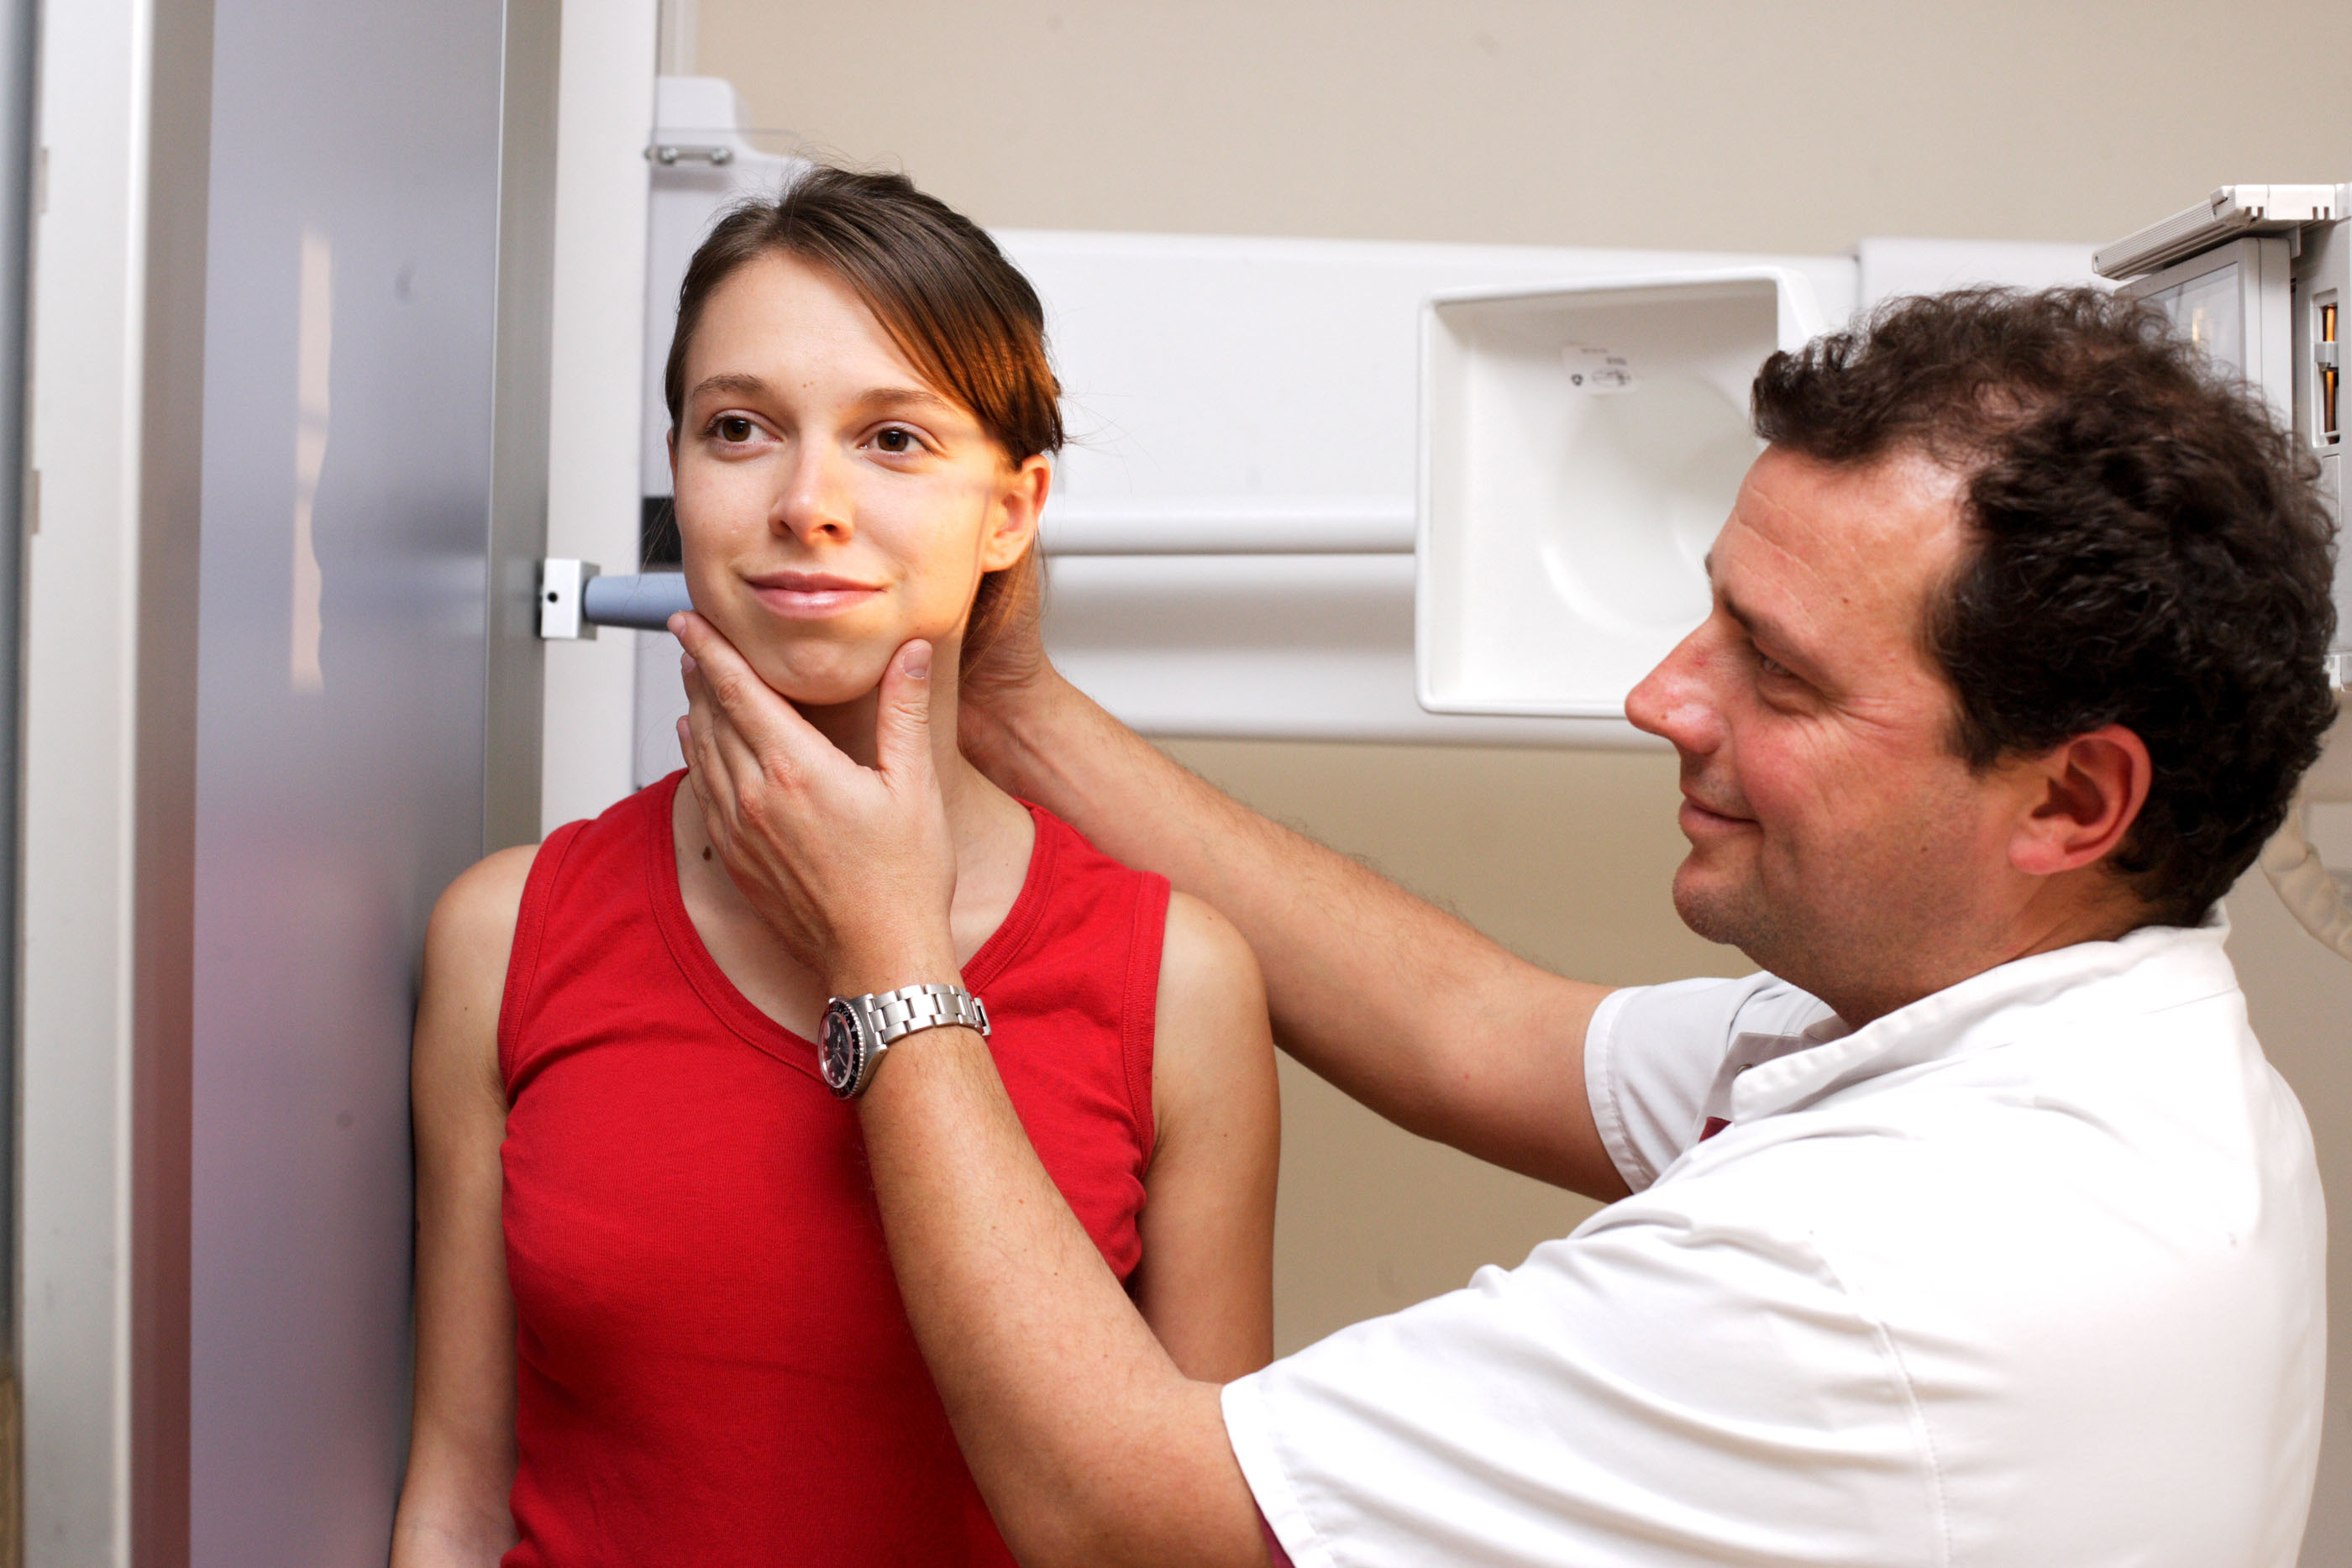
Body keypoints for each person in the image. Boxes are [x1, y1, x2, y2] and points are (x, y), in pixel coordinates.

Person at [669, 286, 2339, 1567]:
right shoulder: (2083, 1039)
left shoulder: (1876, 1274)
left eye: (1777, 673)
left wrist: (889, 956)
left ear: (2070, 799)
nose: (1660, 697)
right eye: (1712, 613)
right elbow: (1475, 1028)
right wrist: (1018, 713)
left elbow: (1126, 1516)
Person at [388, 169, 1280, 1568]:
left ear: (1012, 511)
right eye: (738, 429)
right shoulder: (506, 935)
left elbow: (1196, 1545)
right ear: (679, 476)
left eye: (894, 439)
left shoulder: (1178, 986)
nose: (807, 502)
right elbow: (455, 1494)